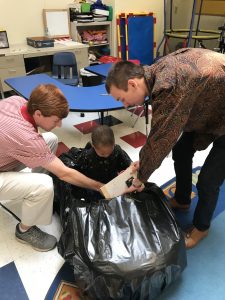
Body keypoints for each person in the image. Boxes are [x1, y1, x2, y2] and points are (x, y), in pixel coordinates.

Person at [105, 47, 225, 249]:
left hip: (218, 108)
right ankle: (182, 199)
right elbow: (162, 130)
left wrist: (141, 176)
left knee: (208, 180)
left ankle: (201, 229)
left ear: (132, 83)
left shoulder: (169, 84)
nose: (124, 105)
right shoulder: (155, 72)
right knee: (181, 151)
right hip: (211, 104)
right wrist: (144, 162)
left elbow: (162, 137)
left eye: (122, 99)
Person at [0, 84, 103, 252]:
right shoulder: (26, 138)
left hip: (4, 154)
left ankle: (33, 197)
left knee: (51, 139)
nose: (60, 124)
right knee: (44, 184)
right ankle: (24, 231)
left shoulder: (18, 101)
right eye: (56, 120)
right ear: (38, 113)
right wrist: (99, 186)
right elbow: (64, 174)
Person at [53, 125, 132, 211]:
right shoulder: (87, 156)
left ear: (114, 143)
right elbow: (76, 174)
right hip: (92, 187)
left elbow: (128, 165)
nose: (106, 156)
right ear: (93, 146)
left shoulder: (117, 150)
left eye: (110, 152)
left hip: (112, 184)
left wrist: (124, 172)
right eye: (102, 154)